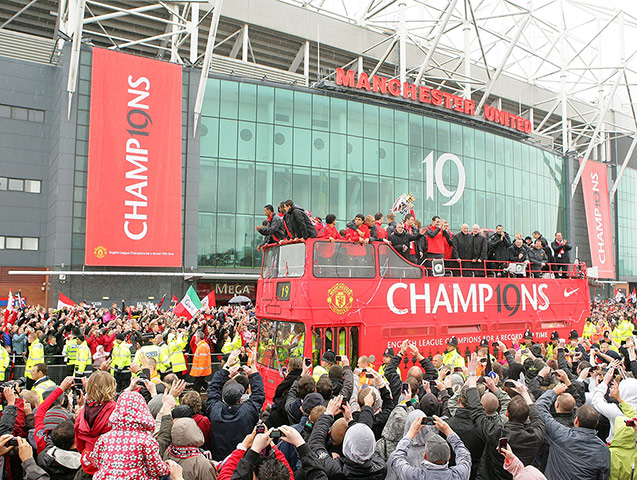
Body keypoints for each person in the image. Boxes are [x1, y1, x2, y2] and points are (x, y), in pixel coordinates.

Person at [86, 391, 171, 480]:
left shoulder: (104, 438)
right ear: (142, 409)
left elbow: (97, 462)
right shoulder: (146, 440)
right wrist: (167, 468)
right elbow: (156, 469)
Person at [536, 384, 610, 480]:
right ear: (596, 423)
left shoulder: (561, 434)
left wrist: (553, 392)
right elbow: (603, 476)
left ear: (576, 421)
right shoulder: (603, 449)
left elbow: (539, 408)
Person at [206, 349, 265, 461]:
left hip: (219, 459)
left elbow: (213, 389)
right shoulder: (248, 411)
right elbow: (258, 394)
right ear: (240, 399)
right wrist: (253, 369)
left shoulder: (214, 409)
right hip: (243, 459)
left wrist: (226, 367)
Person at [388, 415, 471, 480]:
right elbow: (464, 454)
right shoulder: (459, 475)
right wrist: (448, 431)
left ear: (425, 456)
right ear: (449, 456)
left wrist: (410, 433)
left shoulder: (415, 476)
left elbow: (397, 458)